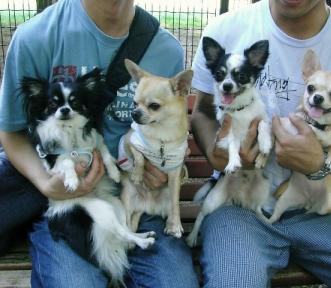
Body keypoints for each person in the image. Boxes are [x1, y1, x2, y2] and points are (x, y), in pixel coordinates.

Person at [0, 0, 199, 287]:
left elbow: (174, 131)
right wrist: (45, 182)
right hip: (71, 205)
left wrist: (172, 170)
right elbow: (10, 132)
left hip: (140, 200)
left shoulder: (164, 50)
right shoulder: (36, 37)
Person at [190, 0, 331, 287]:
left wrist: (319, 165)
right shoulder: (225, 29)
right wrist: (214, 152)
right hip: (239, 200)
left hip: (314, 205)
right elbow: (204, 113)